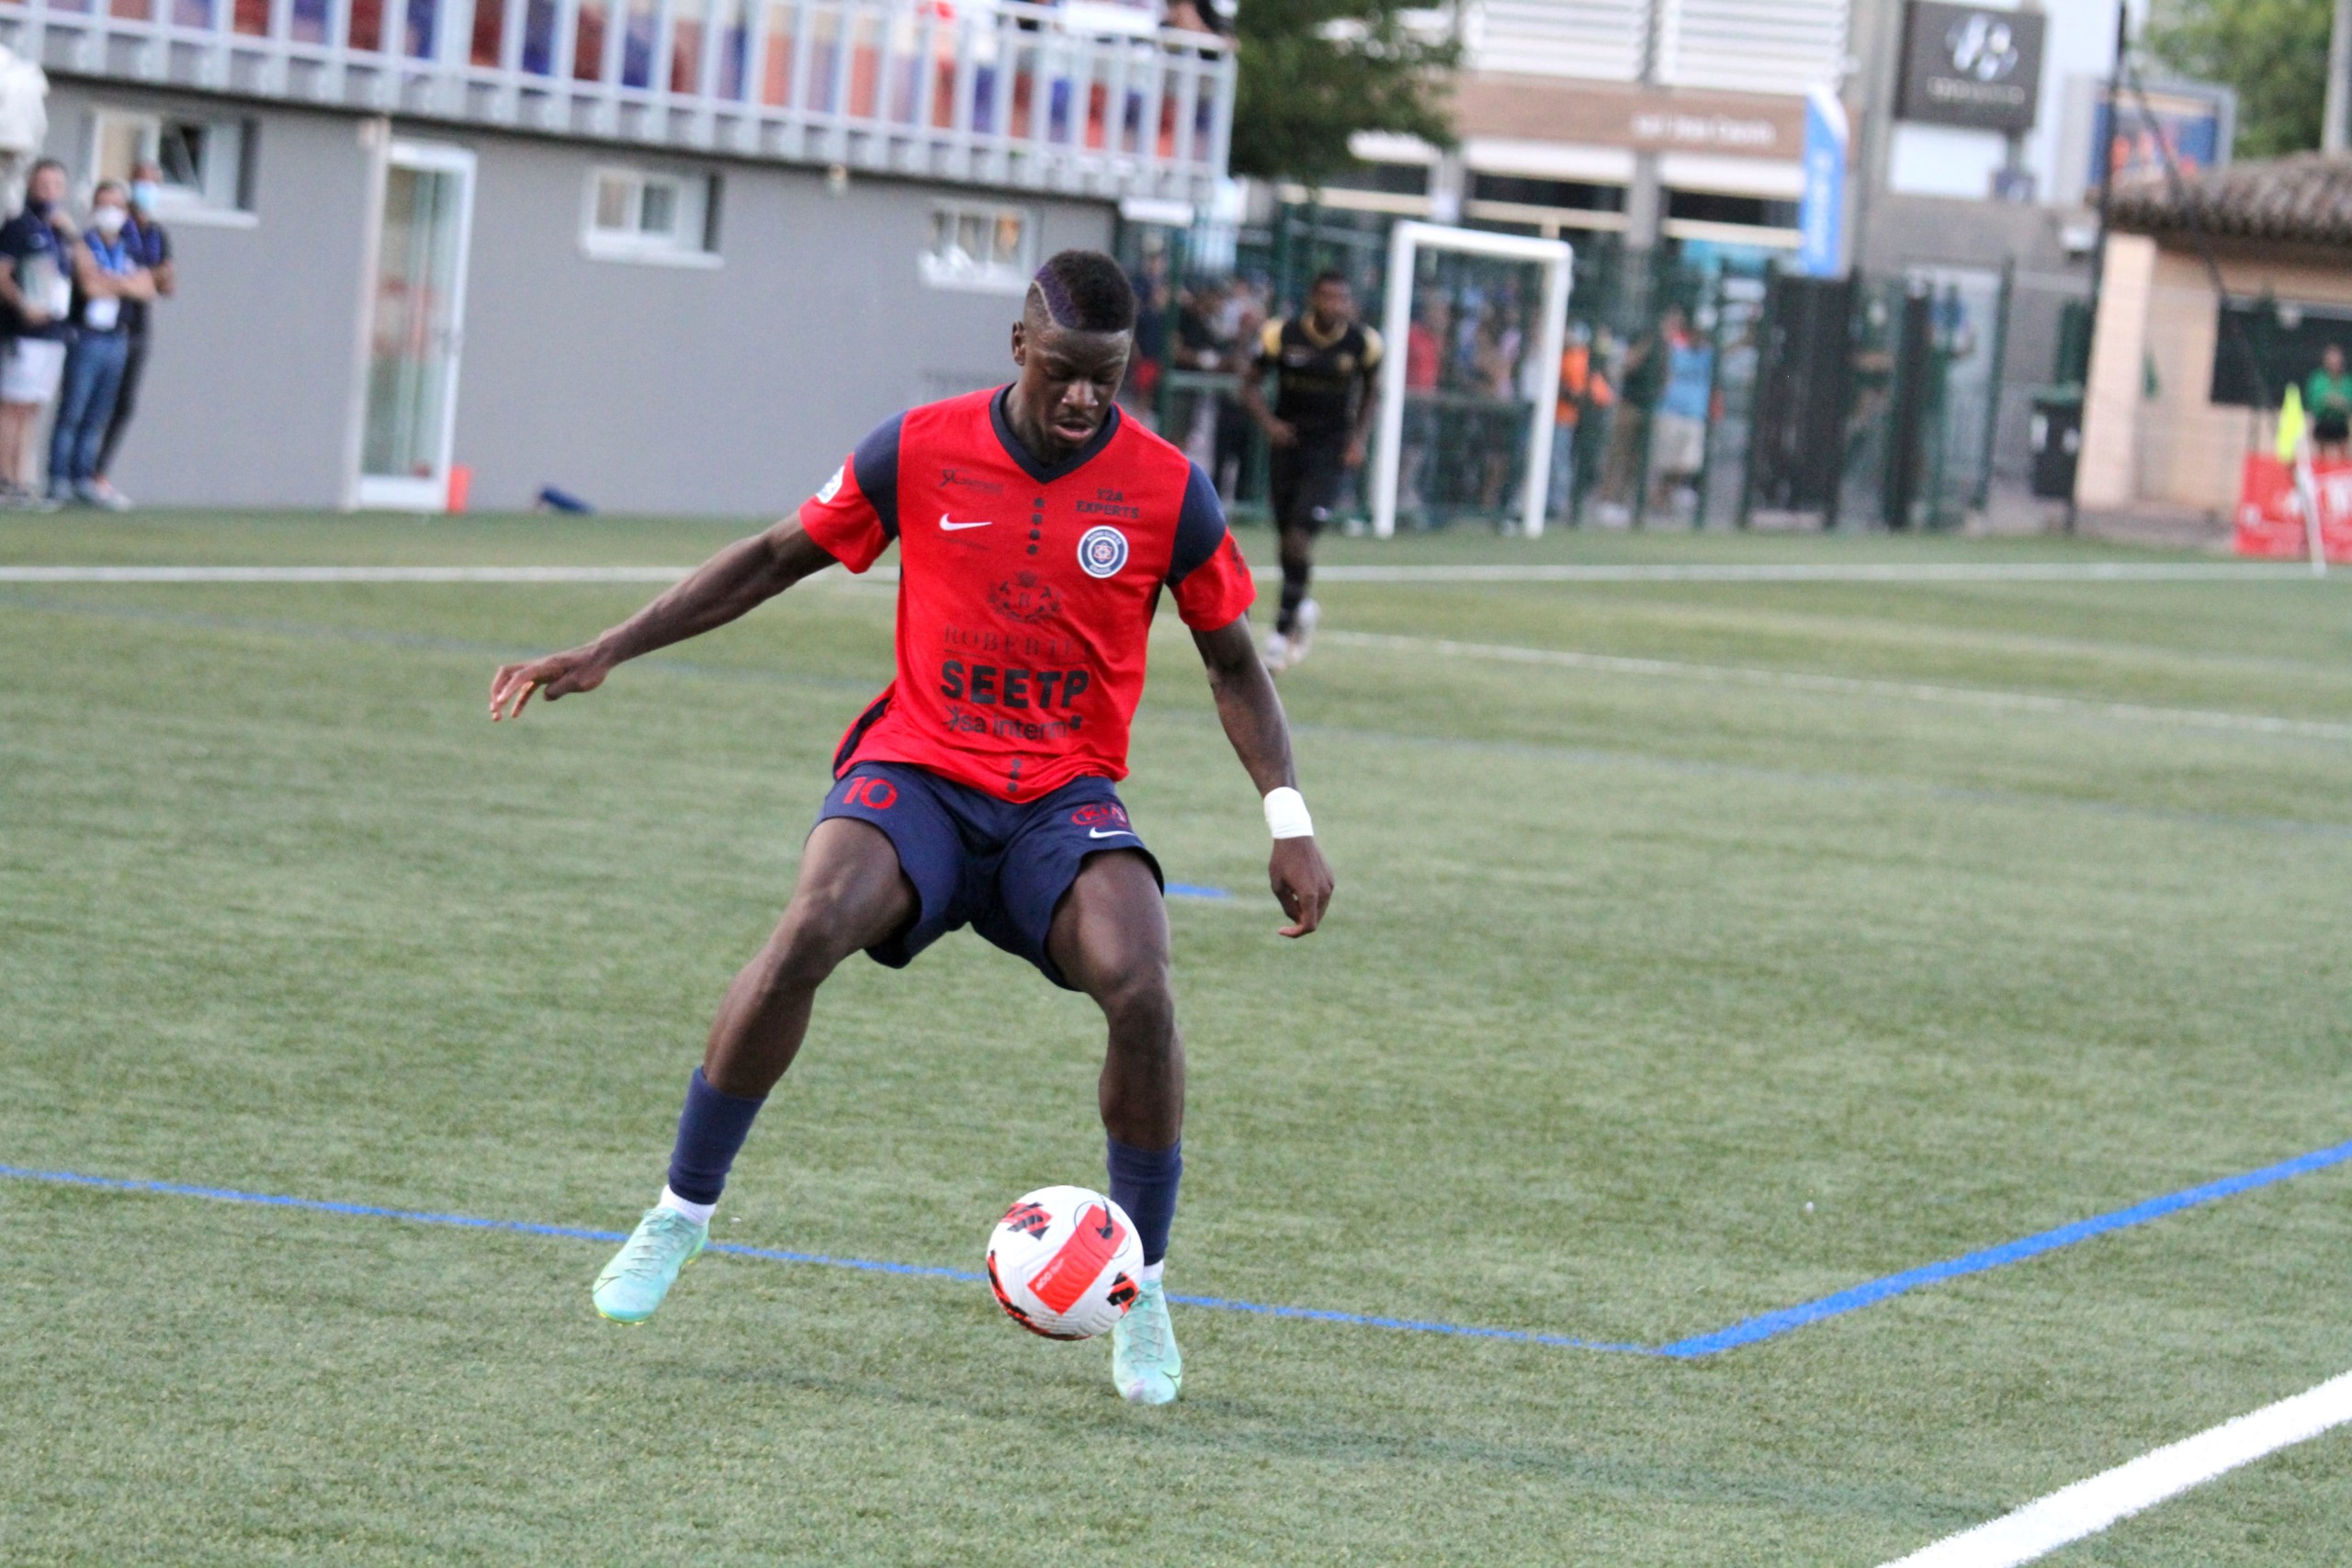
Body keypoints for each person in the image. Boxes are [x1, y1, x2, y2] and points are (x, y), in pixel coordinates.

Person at [486, 250, 1334, 1408]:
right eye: (1070, 373)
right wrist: (609, 649)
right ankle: (678, 1213)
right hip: (920, 771)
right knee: (808, 929)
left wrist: (1288, 819)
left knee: (1141, 984)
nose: (1088, 399)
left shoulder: (1167, 487)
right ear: (1021, 348)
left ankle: (1142, 1285)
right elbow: (775, 557)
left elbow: (1233, 660)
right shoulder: (917, 447)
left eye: (1112, 378)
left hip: (1062, 795)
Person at [1240, 268, 1381, 671]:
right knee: (1287, 538)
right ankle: (1301, 605)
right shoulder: (1281, 336)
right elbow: (1249, 383)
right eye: (1328, 297)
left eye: (1343, 299)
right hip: (1289, 447)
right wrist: (1270, 424)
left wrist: (1358, 438)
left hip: (1330, 453)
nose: (1335, 306)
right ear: (1313, 299)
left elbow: (1372, 390)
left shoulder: (1363, 343)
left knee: (1299, 541)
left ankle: (1279, 637)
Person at [49, 181, 154, 508]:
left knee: (98, 413)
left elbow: (146, 288)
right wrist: (122, 283)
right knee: (73, 409)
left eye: (117, 206)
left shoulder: (129, 246)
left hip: (117, 337)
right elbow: (89, 286)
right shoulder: (86, 243)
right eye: (104, 204)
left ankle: (84, 477)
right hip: (87, 335)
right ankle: (59, 478)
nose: (111, 212)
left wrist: (111, 282)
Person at [0, 159, 97, 507]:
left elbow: (88, 268)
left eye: (56, 185)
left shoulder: (60, 231)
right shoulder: (19, 227)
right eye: (43, 184)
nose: (49, 191)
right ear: (31, 186)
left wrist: (71, 232)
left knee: (32, 407)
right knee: (12, 405)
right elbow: (3, 273)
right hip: (24, 331)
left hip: (55, 331)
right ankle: (6, 479)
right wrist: (22, 303)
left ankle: (21, 479)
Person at [93, 162, 174, 508]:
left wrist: (147, 279)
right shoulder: (120, 229)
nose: (148, 189)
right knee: (97, 402)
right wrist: (144, 280)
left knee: (125, 404)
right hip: (113, 326)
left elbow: (166, 283)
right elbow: (116, 277)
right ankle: (80, 474)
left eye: (154, 183)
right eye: (143, 182)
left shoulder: (158, 232)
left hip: (141, 328)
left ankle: (100, 473)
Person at [1647, 307, 1713, 518]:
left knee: (1686, 464)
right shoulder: (1678, 350)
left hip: (1695, 414)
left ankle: (1663, 496)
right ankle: (1658, 498)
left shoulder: (1709, 355)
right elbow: (1665, 342)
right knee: (1666, 460)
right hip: (1671, 410)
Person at [2308, 344, 2352, 459]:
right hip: (2323, 422)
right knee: (2321, 451)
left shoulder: (2347, 381)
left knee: (2343, 449)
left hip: (2340, 423)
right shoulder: (2318, 379)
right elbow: (2314, 401)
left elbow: (2349, 402)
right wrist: (2327, 402)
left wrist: (2341, 403)